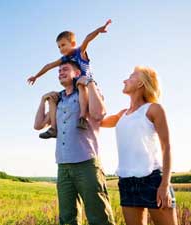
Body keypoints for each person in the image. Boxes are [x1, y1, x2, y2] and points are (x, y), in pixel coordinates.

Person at [34, 60, 116, 225]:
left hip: (86, 164)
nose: (60, 73)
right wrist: (43, 100)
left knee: (99, 216)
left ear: (77, 73)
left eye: (65, 69)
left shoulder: (86, 92)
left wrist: (89, 82)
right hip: (63, 166)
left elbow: (99, 114)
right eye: (58, 71)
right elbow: (38, 125)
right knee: (67, 218)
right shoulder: (59, 101)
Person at [101, 66, 178, 225]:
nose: (124, 80)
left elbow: (167, 147)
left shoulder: (153, 109)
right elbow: (97, 120)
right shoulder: (122, 114)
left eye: (130, 77)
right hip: (126, 181)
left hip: (153, 180)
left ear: (141, 84)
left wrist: (164, 184)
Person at [28, 19, 112, 139]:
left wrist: (99, 30)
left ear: (72, 43)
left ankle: (82, 117)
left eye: (63, 45)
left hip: (85, 83)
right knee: (52, 98)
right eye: (59, 47)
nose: (61, 49)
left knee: (80, 84)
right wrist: (36, 76)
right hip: (74, 86)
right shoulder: (64, 59)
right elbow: (49, 65)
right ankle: (53, 128)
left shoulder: (80, 52)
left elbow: (88, 38)